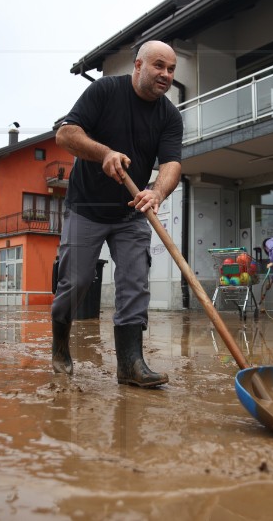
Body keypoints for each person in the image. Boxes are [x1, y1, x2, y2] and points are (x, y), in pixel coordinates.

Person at [51, 40, 183, 388]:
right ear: (138, 65)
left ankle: (130, 364)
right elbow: (66, 134)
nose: (166, 75)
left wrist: (157, 191)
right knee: (75, 282)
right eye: (159, 66)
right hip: (87, 207)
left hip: (131, 212)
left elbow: (171, 163)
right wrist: (104, 152)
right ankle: (60, 348)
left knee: (134, 285)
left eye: (171, 69)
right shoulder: (106, 91)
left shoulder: (169, 115)